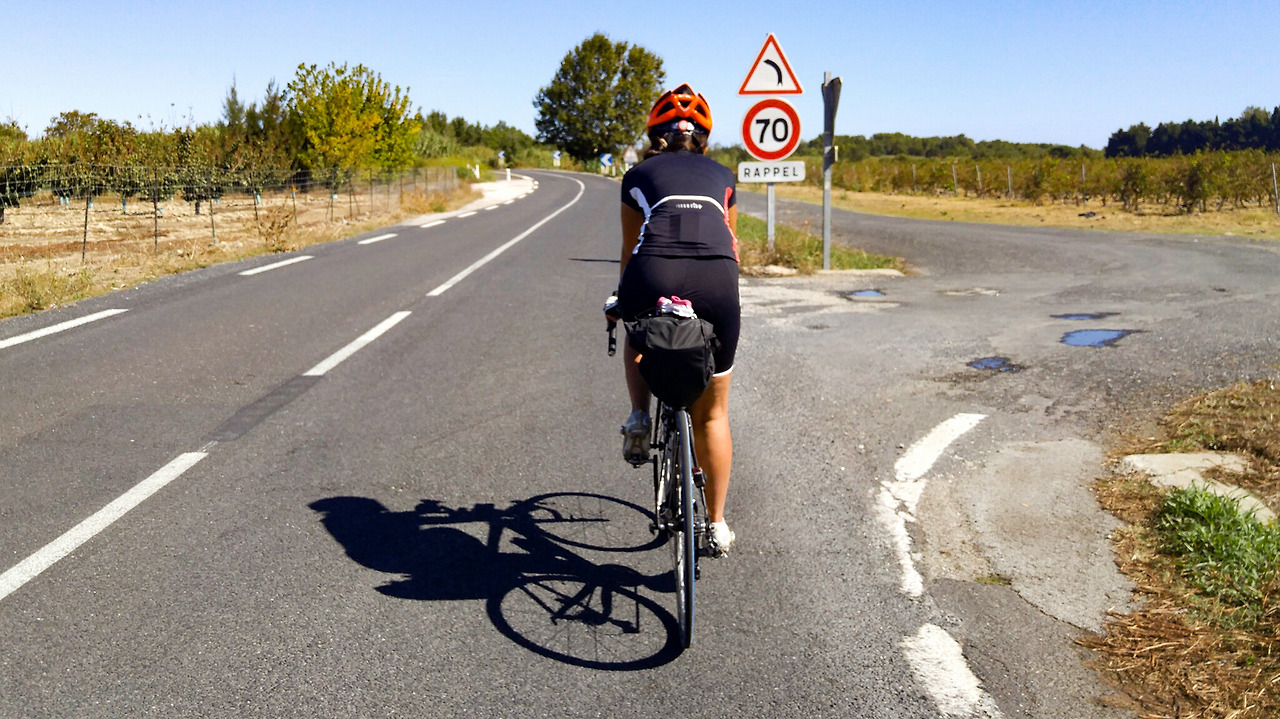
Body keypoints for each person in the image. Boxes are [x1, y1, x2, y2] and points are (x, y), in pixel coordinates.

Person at [603, 83, 740, 555]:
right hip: (717, 281)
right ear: (702, 139)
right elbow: (732, 244)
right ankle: (717, 524)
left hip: (653, 272)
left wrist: (621, 299)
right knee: (713, 413)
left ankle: (640, 417)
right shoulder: (724, 175)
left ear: (655, 134)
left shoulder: (637, 174)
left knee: (635, 326)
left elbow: (631, 248)